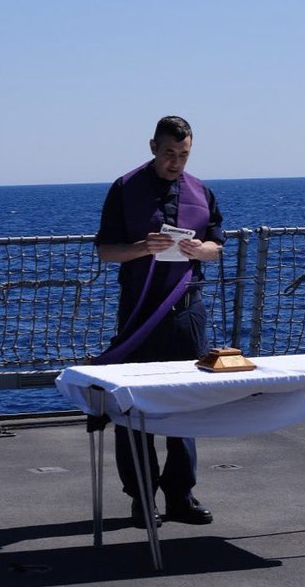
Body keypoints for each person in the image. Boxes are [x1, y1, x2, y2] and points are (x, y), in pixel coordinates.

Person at [95, 115, 224, 529]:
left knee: (185, 403)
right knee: (133, 407)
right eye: (169, 154)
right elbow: (105, 251)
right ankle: (141, 497)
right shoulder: (124, 189)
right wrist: (139, 249)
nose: (175, 163)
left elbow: (216, 244)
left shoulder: (201, 190)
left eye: (183, 155)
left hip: (187, 311)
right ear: (152, 147)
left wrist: (200, 250)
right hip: (139, 312)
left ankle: (180, 494)